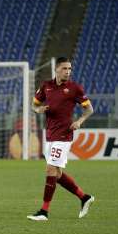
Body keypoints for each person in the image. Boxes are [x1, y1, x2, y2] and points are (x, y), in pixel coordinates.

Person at [27, 57, 95, 221]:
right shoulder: (46, 86)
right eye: (64, 68)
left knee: (50, 170)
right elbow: (34, 105)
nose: (68, 71)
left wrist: (79, 121)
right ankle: (84, 197)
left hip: (64, 135)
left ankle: (44, 211)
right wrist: (39, 109)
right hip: (50, 134)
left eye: (70, 69)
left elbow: (89, 109)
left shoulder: (74, 88)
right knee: (56, 173)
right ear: (56, 70)